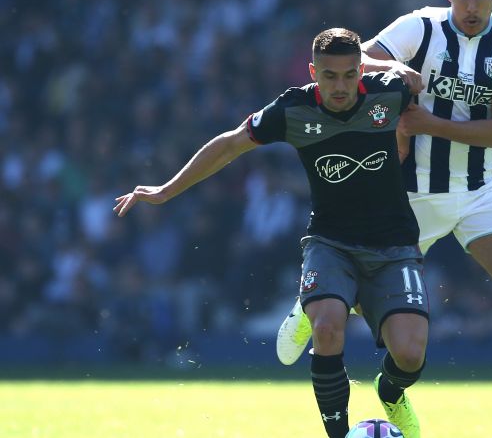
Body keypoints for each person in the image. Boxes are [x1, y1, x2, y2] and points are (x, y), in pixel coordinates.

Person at [277, 0, 492, 436]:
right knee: (362, 302)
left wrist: (429, 123)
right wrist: (394, 67)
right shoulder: (419, 27)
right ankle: (311, 301)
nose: (471, 6)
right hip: (409, 196)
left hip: (482, 189)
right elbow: (354, 61)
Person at [114, 28, 429, 438]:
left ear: (361, 70)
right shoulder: (293, 109)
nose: (340, 86)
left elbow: (417, 85)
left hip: (394, 244)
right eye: (329, 76)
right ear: (313, 72)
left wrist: (391, 69)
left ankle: (390, 391)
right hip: (331, 243)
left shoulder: (388, 92)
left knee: (409, 355)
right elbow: (230, 144)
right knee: (328, 328)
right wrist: (166, 190)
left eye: (349, 75)